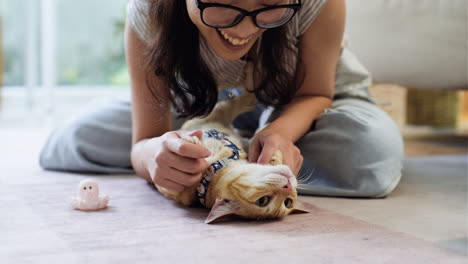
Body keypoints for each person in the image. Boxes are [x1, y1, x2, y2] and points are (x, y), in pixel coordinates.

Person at [39, 0, 404, 197]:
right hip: (204, 105)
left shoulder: (317, 4)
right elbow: (144, 140)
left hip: (308, 104)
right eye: (223, 5)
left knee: (368, 155)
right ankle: (228, 147)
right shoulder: (150, 10)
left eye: (269, 6)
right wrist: (155, 157)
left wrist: (280, 134)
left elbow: (316, 93)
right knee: (78, 138)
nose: (244, 29)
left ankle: (232, 150)